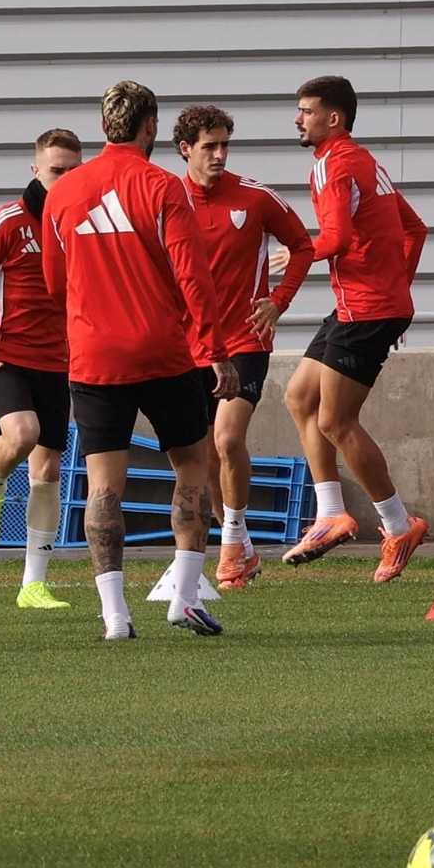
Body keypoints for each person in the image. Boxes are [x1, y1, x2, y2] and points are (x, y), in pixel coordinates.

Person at [41, 80, 237, 640]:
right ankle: (182, 599)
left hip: (95, 357)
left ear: (105, 127)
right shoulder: (163, 187)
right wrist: (215, 352)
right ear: (150, 125)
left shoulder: (63, 193)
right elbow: (193, 279)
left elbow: (55, 283)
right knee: (193, 470)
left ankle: (114, 617)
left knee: (104, 485)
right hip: (164, 351)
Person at [282, 76, 430, 583]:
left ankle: (398, 522)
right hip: (365, 306)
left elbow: (338, 237)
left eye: (305, 111)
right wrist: (397, 290)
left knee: (336, 422)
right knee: (300, 398)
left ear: (333, 119)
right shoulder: (364, 160)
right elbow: (416, 229)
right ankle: (330, 514)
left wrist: (297, 252)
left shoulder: (334, 163)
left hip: (366, 310)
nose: (298, 119)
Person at [173, 104, 316, 589]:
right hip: (186, 345)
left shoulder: (255, 198)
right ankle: (241, 546)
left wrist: (278, 302)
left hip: (243, 340)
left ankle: (232, 542)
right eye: (208, 146)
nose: (218, 154)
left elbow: (304, 246)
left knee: (228, 438)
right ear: (185, 149)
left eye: (224, 145)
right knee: (204, 452)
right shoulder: (167, 199)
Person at [0, 128, 83, 609]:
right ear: (36, 170)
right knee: (22, 435)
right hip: (9, 359)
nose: (66, 180)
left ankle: (33, 583)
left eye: (74, 171)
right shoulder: (8, 221)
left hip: (62, 362)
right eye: (56, 171)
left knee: (48, 471)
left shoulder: (82, 223)